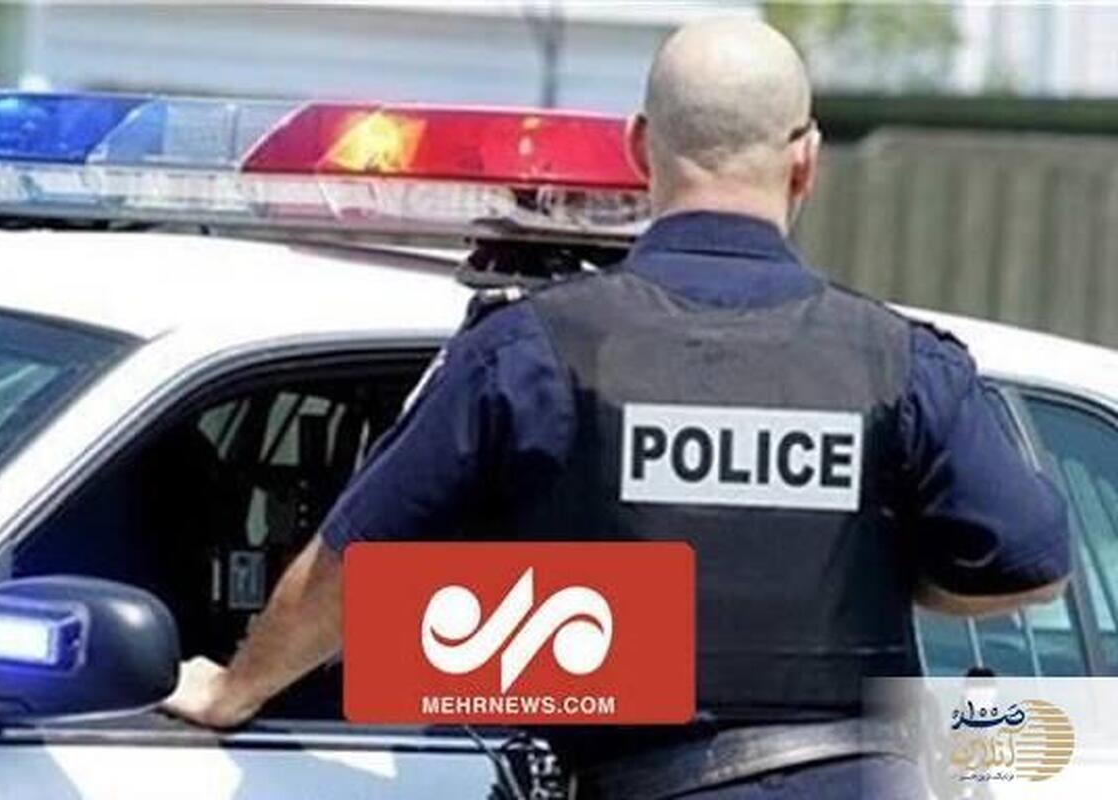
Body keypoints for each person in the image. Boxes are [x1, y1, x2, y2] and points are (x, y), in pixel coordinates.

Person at [164, 17, 1071, 799]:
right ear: (806, 161)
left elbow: (357, 571)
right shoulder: (900, 364)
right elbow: (1031, 567)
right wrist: (865, 567)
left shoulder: (535, 354)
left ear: (641, 146)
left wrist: (235, 690)